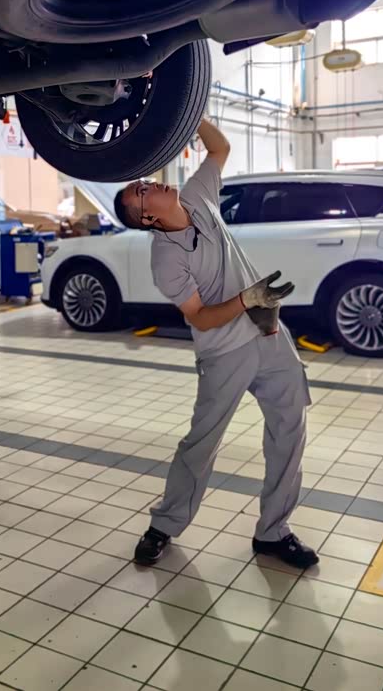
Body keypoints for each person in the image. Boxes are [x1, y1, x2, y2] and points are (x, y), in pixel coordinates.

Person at [113, 117, 318, 570]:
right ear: (148, 218)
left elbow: (219, 149)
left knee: (290, 431)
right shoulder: (166, 260)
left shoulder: (196, 196)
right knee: (202, 443)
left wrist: (189, 109)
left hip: (270, 334)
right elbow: (201, 317)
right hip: (225, 351)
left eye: (143, 182)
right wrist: (246, 299)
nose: (149, 184)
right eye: (141, 192)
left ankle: (273, 533)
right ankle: (163, 525)